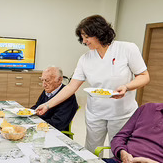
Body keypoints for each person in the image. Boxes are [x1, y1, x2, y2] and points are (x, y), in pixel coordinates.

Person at [36, 15, 150, 154]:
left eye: (86, 36)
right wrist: (47, 105)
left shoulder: (127, 49)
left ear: (99, 33)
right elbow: (71, 86)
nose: (84, 41)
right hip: (95, 113)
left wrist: (127, 87)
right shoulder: (85, 59)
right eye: (82, 37)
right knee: (92, 151)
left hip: (122, 113)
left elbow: (144, 77)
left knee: (120, 151)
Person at [31, 66, 78, 132]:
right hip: (41, 126)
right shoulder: (48, 90)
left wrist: (35, 123)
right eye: (42, 80)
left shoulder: (68, 96)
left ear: (59, 80)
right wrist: (28, 113)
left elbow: (58, 123)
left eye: (47, 80)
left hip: (54, 131)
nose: (43, 85)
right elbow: (37, 107)